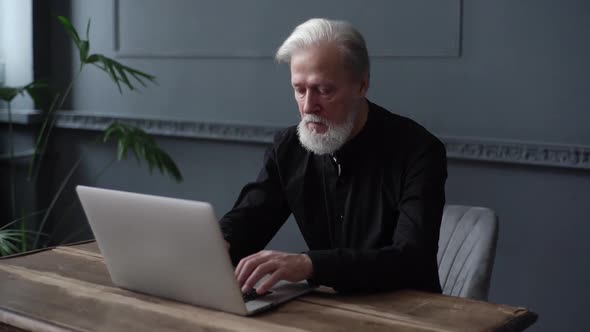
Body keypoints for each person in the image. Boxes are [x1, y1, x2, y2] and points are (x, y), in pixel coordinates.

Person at [219, 18, 447, 295]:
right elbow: (249, 220)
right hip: (329, 310)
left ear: (362, 86)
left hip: (409, 313)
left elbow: (410, 260)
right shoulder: (288, 147)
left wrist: (309, 264)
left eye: (323, 90)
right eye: (299, 89)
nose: (307, 106)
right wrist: (218, 244)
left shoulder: (419, 150)